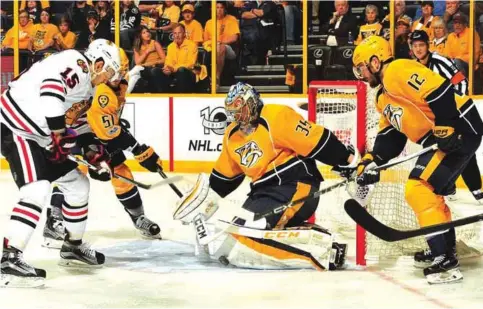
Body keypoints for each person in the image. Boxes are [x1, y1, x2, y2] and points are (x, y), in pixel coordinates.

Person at [173, 82, 357, 270]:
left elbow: (317, 140)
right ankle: (317, 239)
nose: (237, 116)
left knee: (243, 242)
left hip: (294, 186)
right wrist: (201, 204)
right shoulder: (232, 136)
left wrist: (349, 161)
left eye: (240, 110)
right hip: (262, 195)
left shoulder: (275, 117)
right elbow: (223, 180)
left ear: (252, 103)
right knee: (230, 242)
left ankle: (321, 254)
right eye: (233, 112)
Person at [352, 36, 483, 284]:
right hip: (440, 138)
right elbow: (391, 134)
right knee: (427, 190)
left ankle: (444, 259)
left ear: (375, 61)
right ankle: (443, 250)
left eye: (361, 67)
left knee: (418, 187)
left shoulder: (398, 70)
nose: (360, 74)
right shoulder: (382, 97)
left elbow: (440, 90)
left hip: (460, 128)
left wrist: (445, 126)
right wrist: (373, 158)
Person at [0, 39, 121, 287]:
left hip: (41, 136)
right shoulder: (77, 64)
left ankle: (72, 247)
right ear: (98, 62)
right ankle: (9, 260)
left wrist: (95, 156)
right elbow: (50, 93)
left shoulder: (87, 88)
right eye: (109, 71)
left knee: (78, 185)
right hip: (16, 128)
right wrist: (58, 135)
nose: (109, 78)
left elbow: (79, 125)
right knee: (37, 189)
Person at [43, 49, 161, 247]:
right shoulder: (101, 91)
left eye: (122, 71)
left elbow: (110, 127)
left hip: (95, 132)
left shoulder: (116, 85)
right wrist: (137, 149)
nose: (119, 76)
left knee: (121, 171)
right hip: (76, 132)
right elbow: (109, 133)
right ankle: (54, 220)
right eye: (115, 71)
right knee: (72, 174)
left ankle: (138, 217)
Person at [409, 30, 483, 203]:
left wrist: (454, 110)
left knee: (463, 148)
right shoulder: (414, 68)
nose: (419, 49)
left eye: (421, 45)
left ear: (428, 46)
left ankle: (475, 189)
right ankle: (451, 188)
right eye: (415, 46)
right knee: (445, 150)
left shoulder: (439, 61)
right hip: (436, 119)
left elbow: (461, 81)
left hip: (456, 114)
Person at [204, 1, 240, 87]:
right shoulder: (209, 23)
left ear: (224, 9)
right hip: (212, 46)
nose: (219, 10)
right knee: (216, 48)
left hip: (229, 48)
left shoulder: (232, 19)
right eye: (217, 8)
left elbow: (234, 38)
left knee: (221, 47)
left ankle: (217, 76)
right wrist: (215, 43)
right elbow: (205, 40)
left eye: (221, 8)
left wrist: (221, 42)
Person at [160, 24, 198, 93]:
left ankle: (181, 97)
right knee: (155, 71)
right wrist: (167, 68)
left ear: (184, 34)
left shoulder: (192, 45)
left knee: (181, 70)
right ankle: (162, 96)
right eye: (175, 33)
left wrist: (173, 69)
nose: (177, 35)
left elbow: (191, 64)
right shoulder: (170, 47)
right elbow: (168, 61)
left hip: (188, 73)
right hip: (172, 72)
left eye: (179, 33)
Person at [133, 26, 166, 93]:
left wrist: (153, 63)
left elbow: (164, 59)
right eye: (144, 33)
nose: (147, 34)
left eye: (147, 31)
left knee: (150, 71)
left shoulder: (155, 43)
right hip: (144, 68)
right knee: (136, 73)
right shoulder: (137, 47)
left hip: (155, 67)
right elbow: (137, 62)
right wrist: (147, 51)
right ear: (139, 36)